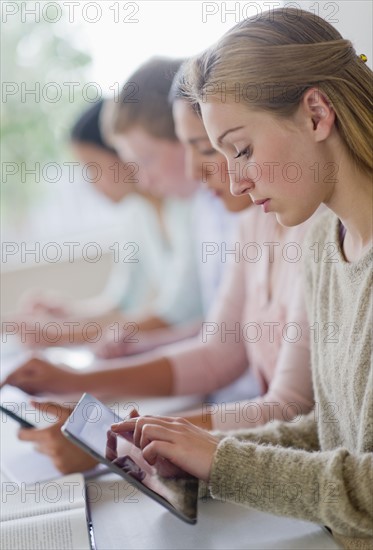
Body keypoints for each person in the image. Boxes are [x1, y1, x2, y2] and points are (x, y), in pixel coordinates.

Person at [108, 9, 372, 547]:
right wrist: (194, 457)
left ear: (317, 114)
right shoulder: (326, 245)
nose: (235, 180)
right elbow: (328, 434)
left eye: (242, 150)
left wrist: (222, 460)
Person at [2, 57, 319, 472]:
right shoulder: (251, 221)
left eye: (215, 149)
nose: (197, 170)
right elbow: (219, 350)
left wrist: (115, 440)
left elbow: (289, 410)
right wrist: (76, 383)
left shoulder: (311, 229)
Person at [16, 59, 204, 348]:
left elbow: (175, 313)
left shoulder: (191, 203)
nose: (91, 183)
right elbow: (122, 301)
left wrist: (59, 334)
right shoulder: (136, 216)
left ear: (123, 156)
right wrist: (67, 313)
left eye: (94, 167)